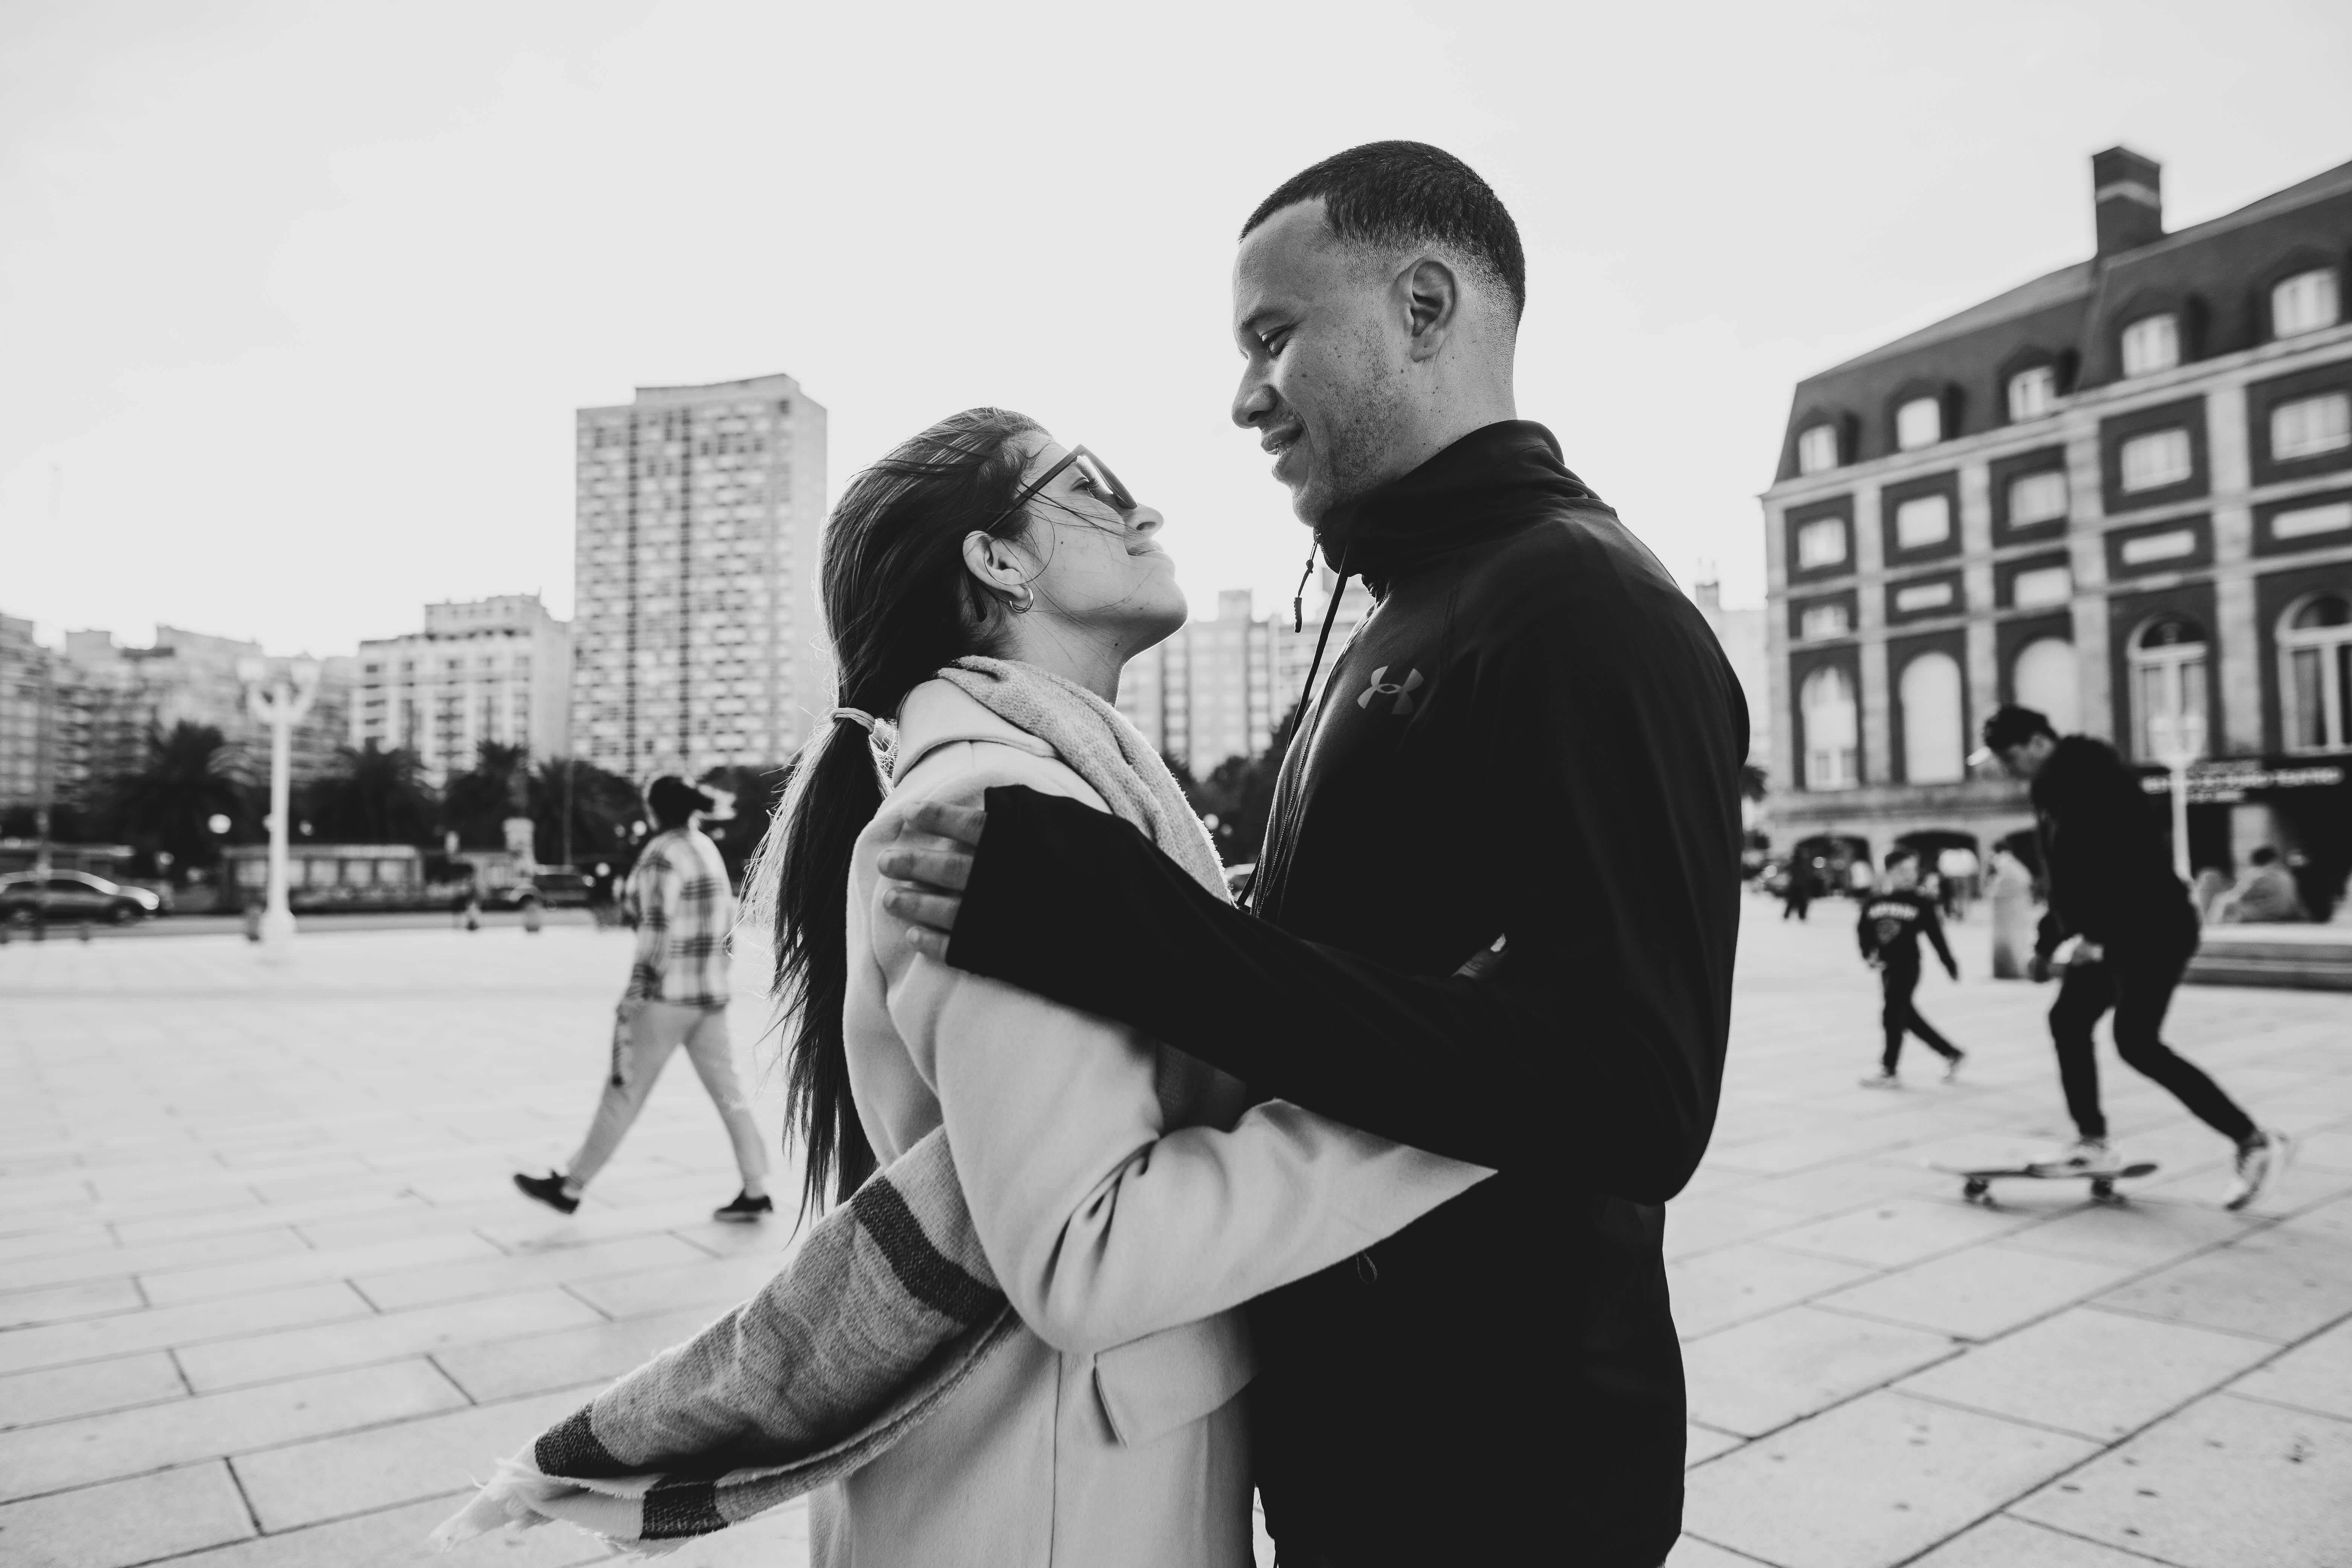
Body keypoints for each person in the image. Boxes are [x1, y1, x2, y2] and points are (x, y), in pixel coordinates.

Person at [879, 142, 1747, 1567]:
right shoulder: (1409, 606)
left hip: (1510, 1478)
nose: (1242, 399)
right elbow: (1353, 970)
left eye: (1272, 338)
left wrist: (1127, 926)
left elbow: (1635, 1091)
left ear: (1423, 308)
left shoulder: (1582, 608)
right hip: (1361, 1443)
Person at [762, 409, 1486, 1566]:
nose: (1143, 509)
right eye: (1092, 486)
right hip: (1046, 1507)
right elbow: (1086, 1256)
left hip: (1039, 1476)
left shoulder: (1041, 797)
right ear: (995, 561)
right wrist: (1460, 1100)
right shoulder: (991, 815)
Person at [1976, 704, 2289, 1209]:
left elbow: (2121, 863)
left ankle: (2254, 1142)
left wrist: (2096, 937)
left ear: (2038, 742)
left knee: (2137, 1041)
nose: (2007, 769)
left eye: (2010, 756)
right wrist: (2046, 944)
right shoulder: (2052, 789)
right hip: (2118, 928)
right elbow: (2066, 881)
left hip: (2154, 926)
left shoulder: (2094, 781)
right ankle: (2093, 1143)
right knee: (2069, 1019)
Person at [514, 776, 775, 1224]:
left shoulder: (661, 855)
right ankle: (756, 1187)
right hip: (709, 996)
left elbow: (657, 928)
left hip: (665, 998)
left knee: (624, 1091)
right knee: (730, 1093)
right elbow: (730, 922)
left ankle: (570, 1186)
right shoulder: (705, 848)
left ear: (653, 810)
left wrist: (636, 991)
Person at [1856, 847, 1964, 1088]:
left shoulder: (1921, 902)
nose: (1910, 875)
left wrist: (1949, 963)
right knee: (1907, 1017)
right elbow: (1864, 930)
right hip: (1886, 968)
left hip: (1908, 966)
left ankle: (1889, 1070)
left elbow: (1937, 937)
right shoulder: (1875, 900)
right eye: (1903, 870)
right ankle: (1951, 1053)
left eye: (1913, 870)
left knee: (1892, 1015)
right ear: (1890, 872)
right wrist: (1868, 953)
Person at [2221, 845, 2309, 924]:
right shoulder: (2286, 874)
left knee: (2227, 902)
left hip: (2271, 915)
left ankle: (2216, 930)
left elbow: (2238, 895)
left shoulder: (2259, 874)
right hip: (2289, 913)